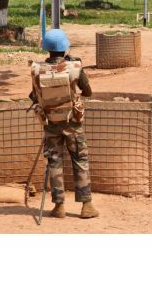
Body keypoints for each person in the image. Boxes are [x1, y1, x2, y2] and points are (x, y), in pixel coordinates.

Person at [29, 29, 99, 219]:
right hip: (73, 124)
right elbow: (88, 92)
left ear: (47, 49)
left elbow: (34, 96)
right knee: (80, 161)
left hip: (50, 125)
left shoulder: (36, 69)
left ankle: (58, 207)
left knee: (54, 163)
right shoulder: (75, 67)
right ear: (65, 48)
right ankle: (87, 207)